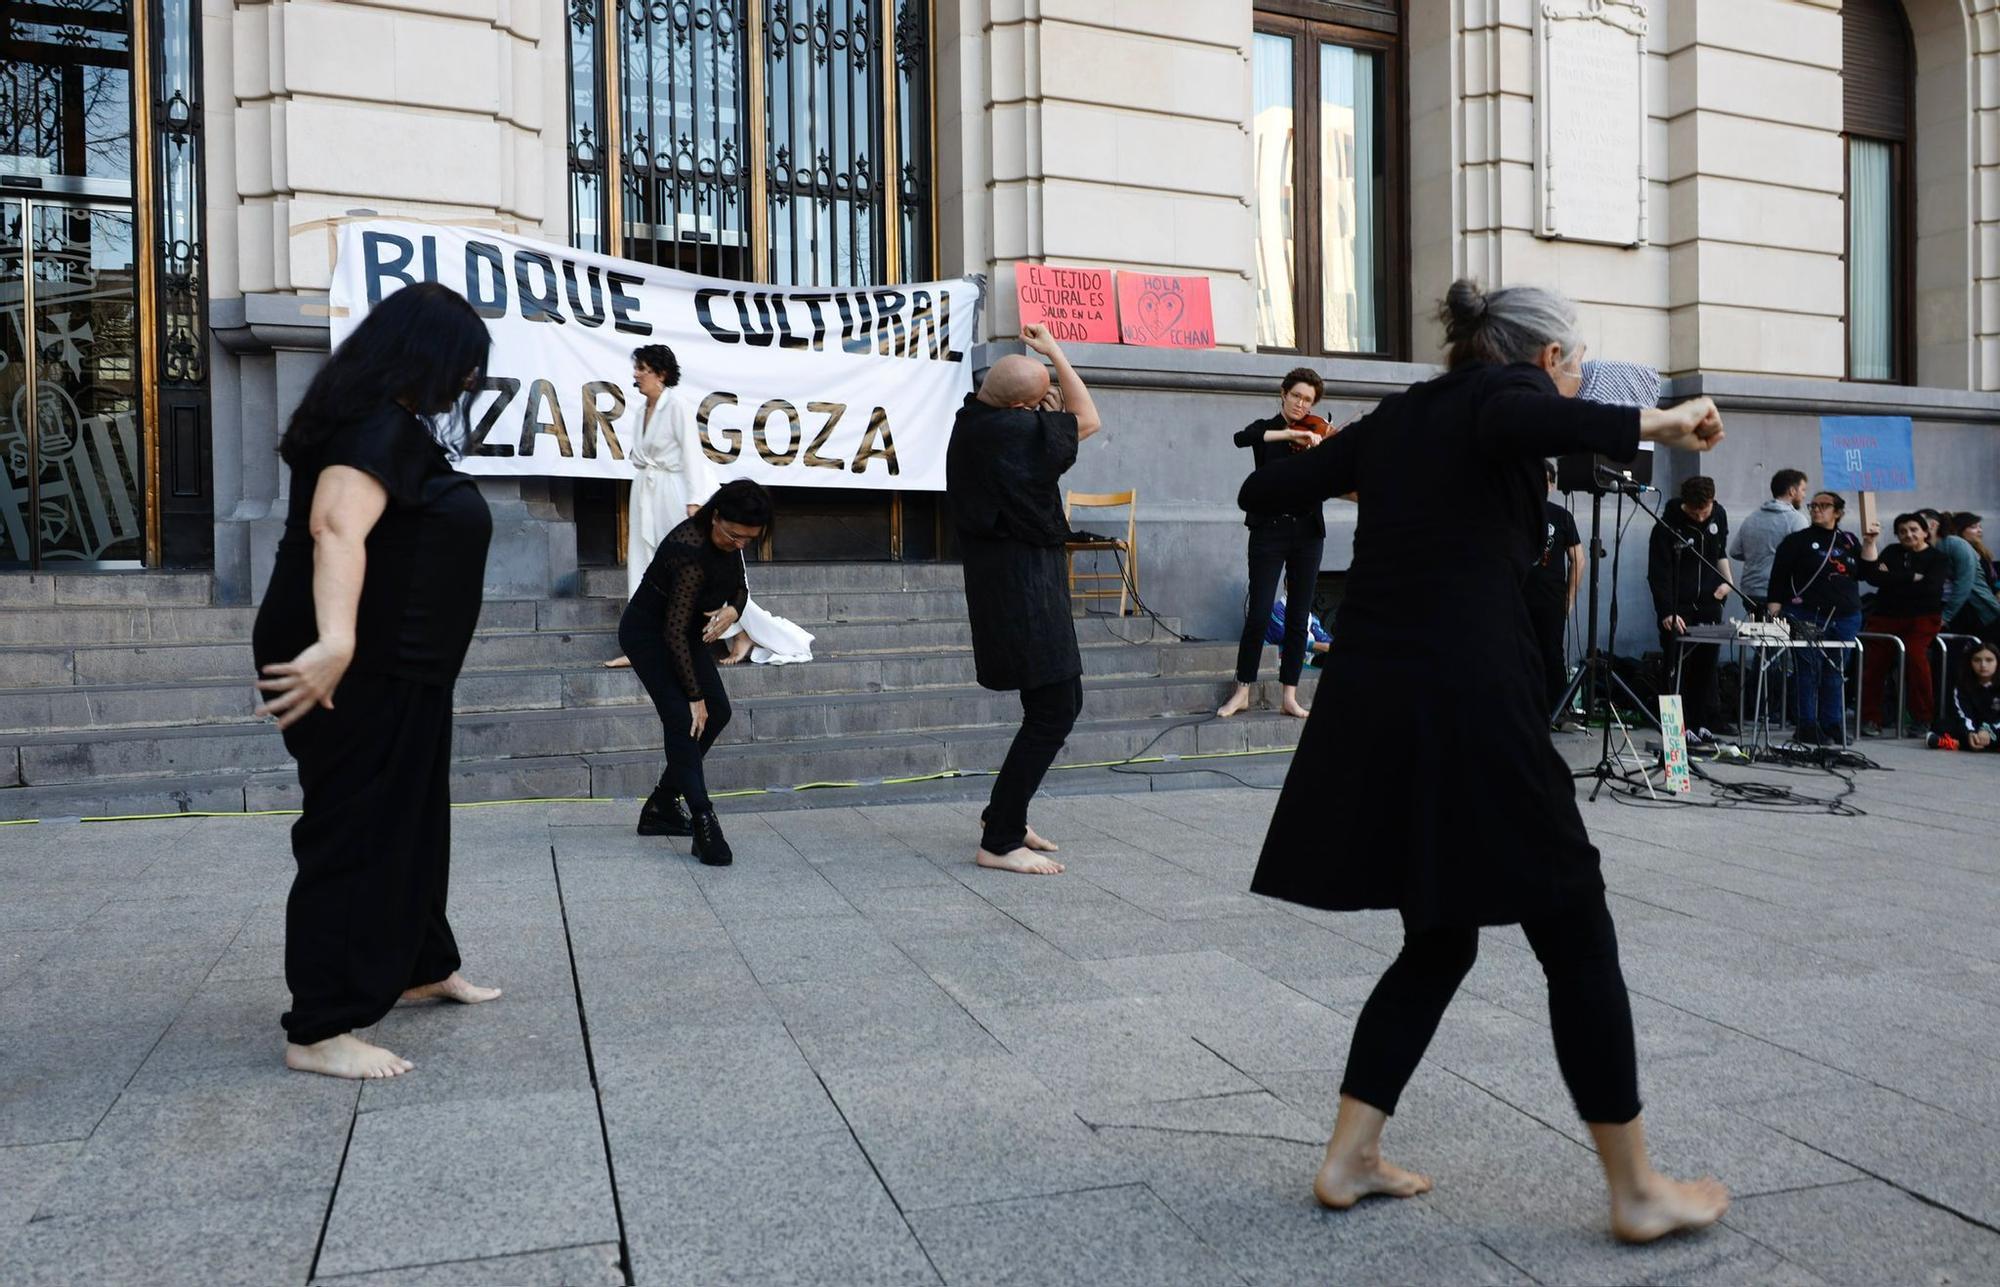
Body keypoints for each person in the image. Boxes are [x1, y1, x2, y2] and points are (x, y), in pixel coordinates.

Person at [1241, 279, 1730, 1243]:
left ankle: (1349, 1155)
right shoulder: (1503, 397)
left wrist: (1322, 457)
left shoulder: (1405, 416)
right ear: (1545, 359)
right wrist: (1665, 421)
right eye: (1575, 361)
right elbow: (1524, 415)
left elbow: (1266, 491)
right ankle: (1636, 1190)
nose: (1576, 375)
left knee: (1441, 935)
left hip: (1376, 698)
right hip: (1473, 699)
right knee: (1575, 923)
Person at [251, 282, 502, 1081]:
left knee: (414, 820)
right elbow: (335, 526)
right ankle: (319, 1027)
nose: (466, 382)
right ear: (423, 354)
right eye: (463, 366)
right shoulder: (372, 425)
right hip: (362, 664)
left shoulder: (381, 420)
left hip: (407, 664)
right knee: (354, 830)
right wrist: (336, 641)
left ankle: (421, 961)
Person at [946, 323, 1103, 876]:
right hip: (1021, 588)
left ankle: (1003, 814)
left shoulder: (974, 417)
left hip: (1009, 579)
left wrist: (1040, 388)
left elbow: (1055, 416)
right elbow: (1088, 419)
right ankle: (1000, 839)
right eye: (1038, 405)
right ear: (1019, 408)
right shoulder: (1008, 433)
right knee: (1058, 706)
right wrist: (1056, 352)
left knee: (1046, 706)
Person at [622, 480, 773, 864]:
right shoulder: (688, 548)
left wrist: (734, 611)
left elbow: (739, 586)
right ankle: (704, 820)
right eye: (734, 535)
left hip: (685, 635)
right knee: (684, 720)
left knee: (718, 711)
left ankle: (661, 804)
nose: (740, 544)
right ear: (716, 516)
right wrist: (693, 697)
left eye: (748, 540)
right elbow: (670, 631)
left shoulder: (731, 539)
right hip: (649, 635)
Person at [1219, 368, 1329, 720]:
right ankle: (1242, 691)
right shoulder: (1266, 430)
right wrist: (1289, 433)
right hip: (1269, 532)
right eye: (1296, 396)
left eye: (1308, 400)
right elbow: (1240, 438)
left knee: (1299, 616)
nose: (1301, 404)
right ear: (1283, 394)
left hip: (1308, 533)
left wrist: (1324, 450)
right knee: (1260, 612)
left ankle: (1290, 697)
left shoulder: (1317, 436)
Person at [606, 344, 718, 669]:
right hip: (645, 491)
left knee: (686, 563)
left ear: (661, 374)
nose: (636, 374)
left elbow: (692, 454)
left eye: (643, 368)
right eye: (637, 367)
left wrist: (695, 500)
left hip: (673, 490)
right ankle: (640, 643)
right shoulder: (642, 411)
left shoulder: (677, 406)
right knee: (643, 562)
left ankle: (736, 628)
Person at [1765, 492, 1876, 746]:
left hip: (1845, 615)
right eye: (1813, 505)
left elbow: (1868, 574)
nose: (1816, 510)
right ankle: (1806, 723)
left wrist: (1870, 544)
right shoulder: (1797, 541)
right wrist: (1774, 608)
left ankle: (1832, 722)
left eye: (1823, 506)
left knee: (1836, 670)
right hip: (1807, 613)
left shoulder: (1848, 540)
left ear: (1837, 512)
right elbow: (1779, 576)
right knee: (1808, 670)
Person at [1647, 476, 1733, 741]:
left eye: (1704, 511)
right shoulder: (1666, 526)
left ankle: (1699, 723)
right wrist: (1666, 611)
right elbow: (1658, 574)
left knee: (1706, 667)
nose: (1699, 517)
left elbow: (1720, 552)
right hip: (1678, 605)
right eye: (1694, 512)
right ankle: (1674, 728)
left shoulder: (1718, 515)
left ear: (1712, 502)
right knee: (1675, 665)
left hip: (1709, 601)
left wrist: (1728, 582)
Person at [1858, 512, 1948, 736]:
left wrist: (1894, 578)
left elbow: (1931, 588)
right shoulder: (1891, 552)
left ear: (1925, 532)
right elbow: (1874, 576)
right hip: (1886, 616)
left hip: (1921, 619)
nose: (1908, 534)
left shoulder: (1938, 558)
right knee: (1874, 665)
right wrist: (1909, 577)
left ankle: (1922, 718)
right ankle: (1870, 718)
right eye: (1903, 531)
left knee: (1916, 661)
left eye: (1913, 530)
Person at [1528, 460, 1584, 727]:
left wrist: (1570, 597)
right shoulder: (1516, 511)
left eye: (1545, 481)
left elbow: (1578, 559)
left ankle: (1559, 711)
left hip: (1550, 597)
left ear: (1551, 484)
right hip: (1517, 595)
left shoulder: (1561, 516)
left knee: (1551, 653)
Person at [1728, 468, 1809, 607]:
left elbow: (1735, 551)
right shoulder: (1796, 520)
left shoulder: (1752, 518)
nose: (1804, 495)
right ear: (1792, 491)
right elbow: (1806, 557)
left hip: (1750, 591)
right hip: (1780, 593)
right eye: (1803, 490)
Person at [1940, 512, 2000, 645]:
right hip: (1970, 611)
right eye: (1973, 527)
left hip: (1989, 605)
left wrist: (1997, 590)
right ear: (1959, 530)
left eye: (1980, 526)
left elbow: (1993, 579)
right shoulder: (1956, 552)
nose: (1979, 530)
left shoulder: (1982, 552)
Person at [1930, 641, 2000, 751]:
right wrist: (1970, 733)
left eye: (1989, 660)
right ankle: (1973, 743)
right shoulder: (1963, 685)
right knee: (1943, 725)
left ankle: (1957, 744)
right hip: (1974, 727)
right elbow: (1963, 714)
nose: (1983, 665)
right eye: (1977, 660)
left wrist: (1989, 732)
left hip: (1995, 728)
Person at [1265, 597, 1332, 668]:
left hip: (1306, 661)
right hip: (1280, 662)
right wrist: (1318, 646)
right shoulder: (1277, 609)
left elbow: (1324, 639)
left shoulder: (1310, 617)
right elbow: (1287, 639)